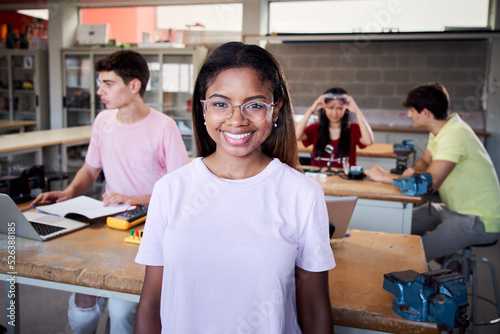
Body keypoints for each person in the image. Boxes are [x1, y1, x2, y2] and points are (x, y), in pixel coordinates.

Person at [134, 41, 336, 333]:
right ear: (203, 109)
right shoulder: (169, 190)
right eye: (220, 104)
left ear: (275, 110)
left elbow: (315, 310)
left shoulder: (302, 194)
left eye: (254, 105)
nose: (237, 120)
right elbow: (151, 303)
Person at [31, 50, 189, 334]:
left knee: (121, 312)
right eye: (99, 82)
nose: (99, 90)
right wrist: (67, 192)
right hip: (106, 224)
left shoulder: (164, 127)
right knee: (82, 312)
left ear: (134, 85)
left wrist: (135, 200)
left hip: (146, 228)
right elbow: (90, 170)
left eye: (107, 83)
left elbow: (181, 192)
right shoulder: (103, 121)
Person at [368, 83, 500, 262]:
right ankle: (452, 264)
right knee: (397, 224)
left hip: (478, 219)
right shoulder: (441, 129)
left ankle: (444, 272)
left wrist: (384, 177)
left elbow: (428, 185)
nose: (409, 115)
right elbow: (425, 162)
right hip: (452, 209)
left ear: (426, 112)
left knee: (412, 256)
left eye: (412, 110)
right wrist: (413, 170)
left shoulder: (453, 134)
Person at [295, 87, 374, 168]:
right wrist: (311, 110)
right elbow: (296, 136)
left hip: (346, 179)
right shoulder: (315, 128)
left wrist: (357, 111)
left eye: (340, 108)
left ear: (346, 108)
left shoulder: (353, 129)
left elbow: (368, 141)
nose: (335, 112)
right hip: (319, 178)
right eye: (331, 107)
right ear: (324, 107)